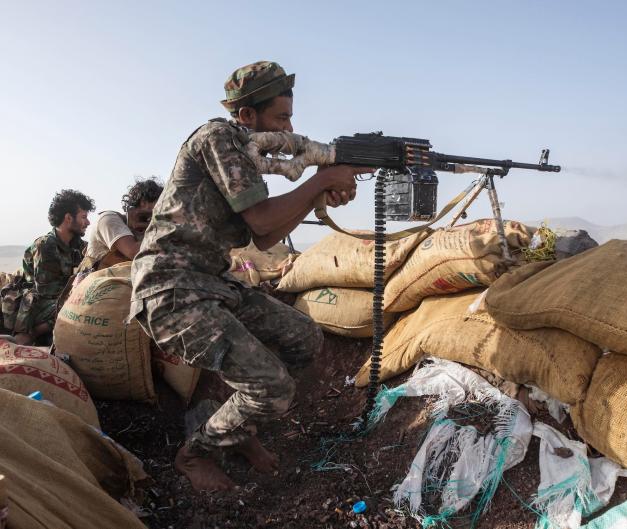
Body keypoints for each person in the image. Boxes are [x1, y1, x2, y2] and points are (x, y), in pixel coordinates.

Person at [130, 61, 369, 491]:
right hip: (170, 290)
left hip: (209, 284)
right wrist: (320, 183)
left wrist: (322, 188)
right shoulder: (217, 138)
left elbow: (267, 236)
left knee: (304, 338)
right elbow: (261, 221)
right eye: (281, 117)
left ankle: (237, 429)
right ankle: (196, 452)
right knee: (272, 388)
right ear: (247, 116)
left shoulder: (242, 150)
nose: (290, 127)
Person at [12, 190, 95, 345]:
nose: (88, 222)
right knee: (78, 306)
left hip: (57, 300)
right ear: (68, 218)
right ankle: (32, 335)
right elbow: (46, 291)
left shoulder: (80, 247)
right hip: (37, 304)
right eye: (84, 217)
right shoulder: (46, 246)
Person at [78, 178, 163, 273]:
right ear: (144, 202)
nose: (163, 208)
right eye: (160, 203)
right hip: (99, 282)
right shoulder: (108, 219)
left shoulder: (144, 227)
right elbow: (134, 252)